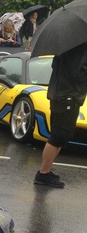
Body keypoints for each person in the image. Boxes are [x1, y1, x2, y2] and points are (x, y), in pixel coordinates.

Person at [35, 43, 87, 188]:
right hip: (67, 96)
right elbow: (78, 73)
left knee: (60, 136)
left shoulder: (65, 47)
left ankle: (46, 170)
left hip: (61, 94)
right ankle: (43, 174)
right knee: (58, 136)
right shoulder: (79, 48)